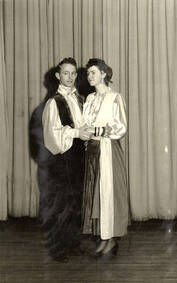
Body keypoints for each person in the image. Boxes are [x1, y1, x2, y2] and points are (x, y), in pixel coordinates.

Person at [41, 57, 93, 262]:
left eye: (73, 73)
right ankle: (58, 248)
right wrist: (76, 133)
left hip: (79, 157)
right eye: (66, 73)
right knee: (62, 203)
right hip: (63, 159)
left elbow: (84, 125)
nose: (70, 77)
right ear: (57, 75)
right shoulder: (54, 103)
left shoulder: (79, 99)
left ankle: (73, 243)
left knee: (77, 201)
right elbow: (51, 136)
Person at [81, 58, 129, 258]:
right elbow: (84, 123)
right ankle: (103, 237)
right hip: (92, 151)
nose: (89, 76)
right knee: (95, 194)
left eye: (93, 72)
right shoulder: (90, 99)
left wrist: (96, 130)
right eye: (88, 73)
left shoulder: (114, 97)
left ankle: (111, 238)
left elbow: (121, 127)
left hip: (108, 149)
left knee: (108, 193)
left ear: (103, 74)